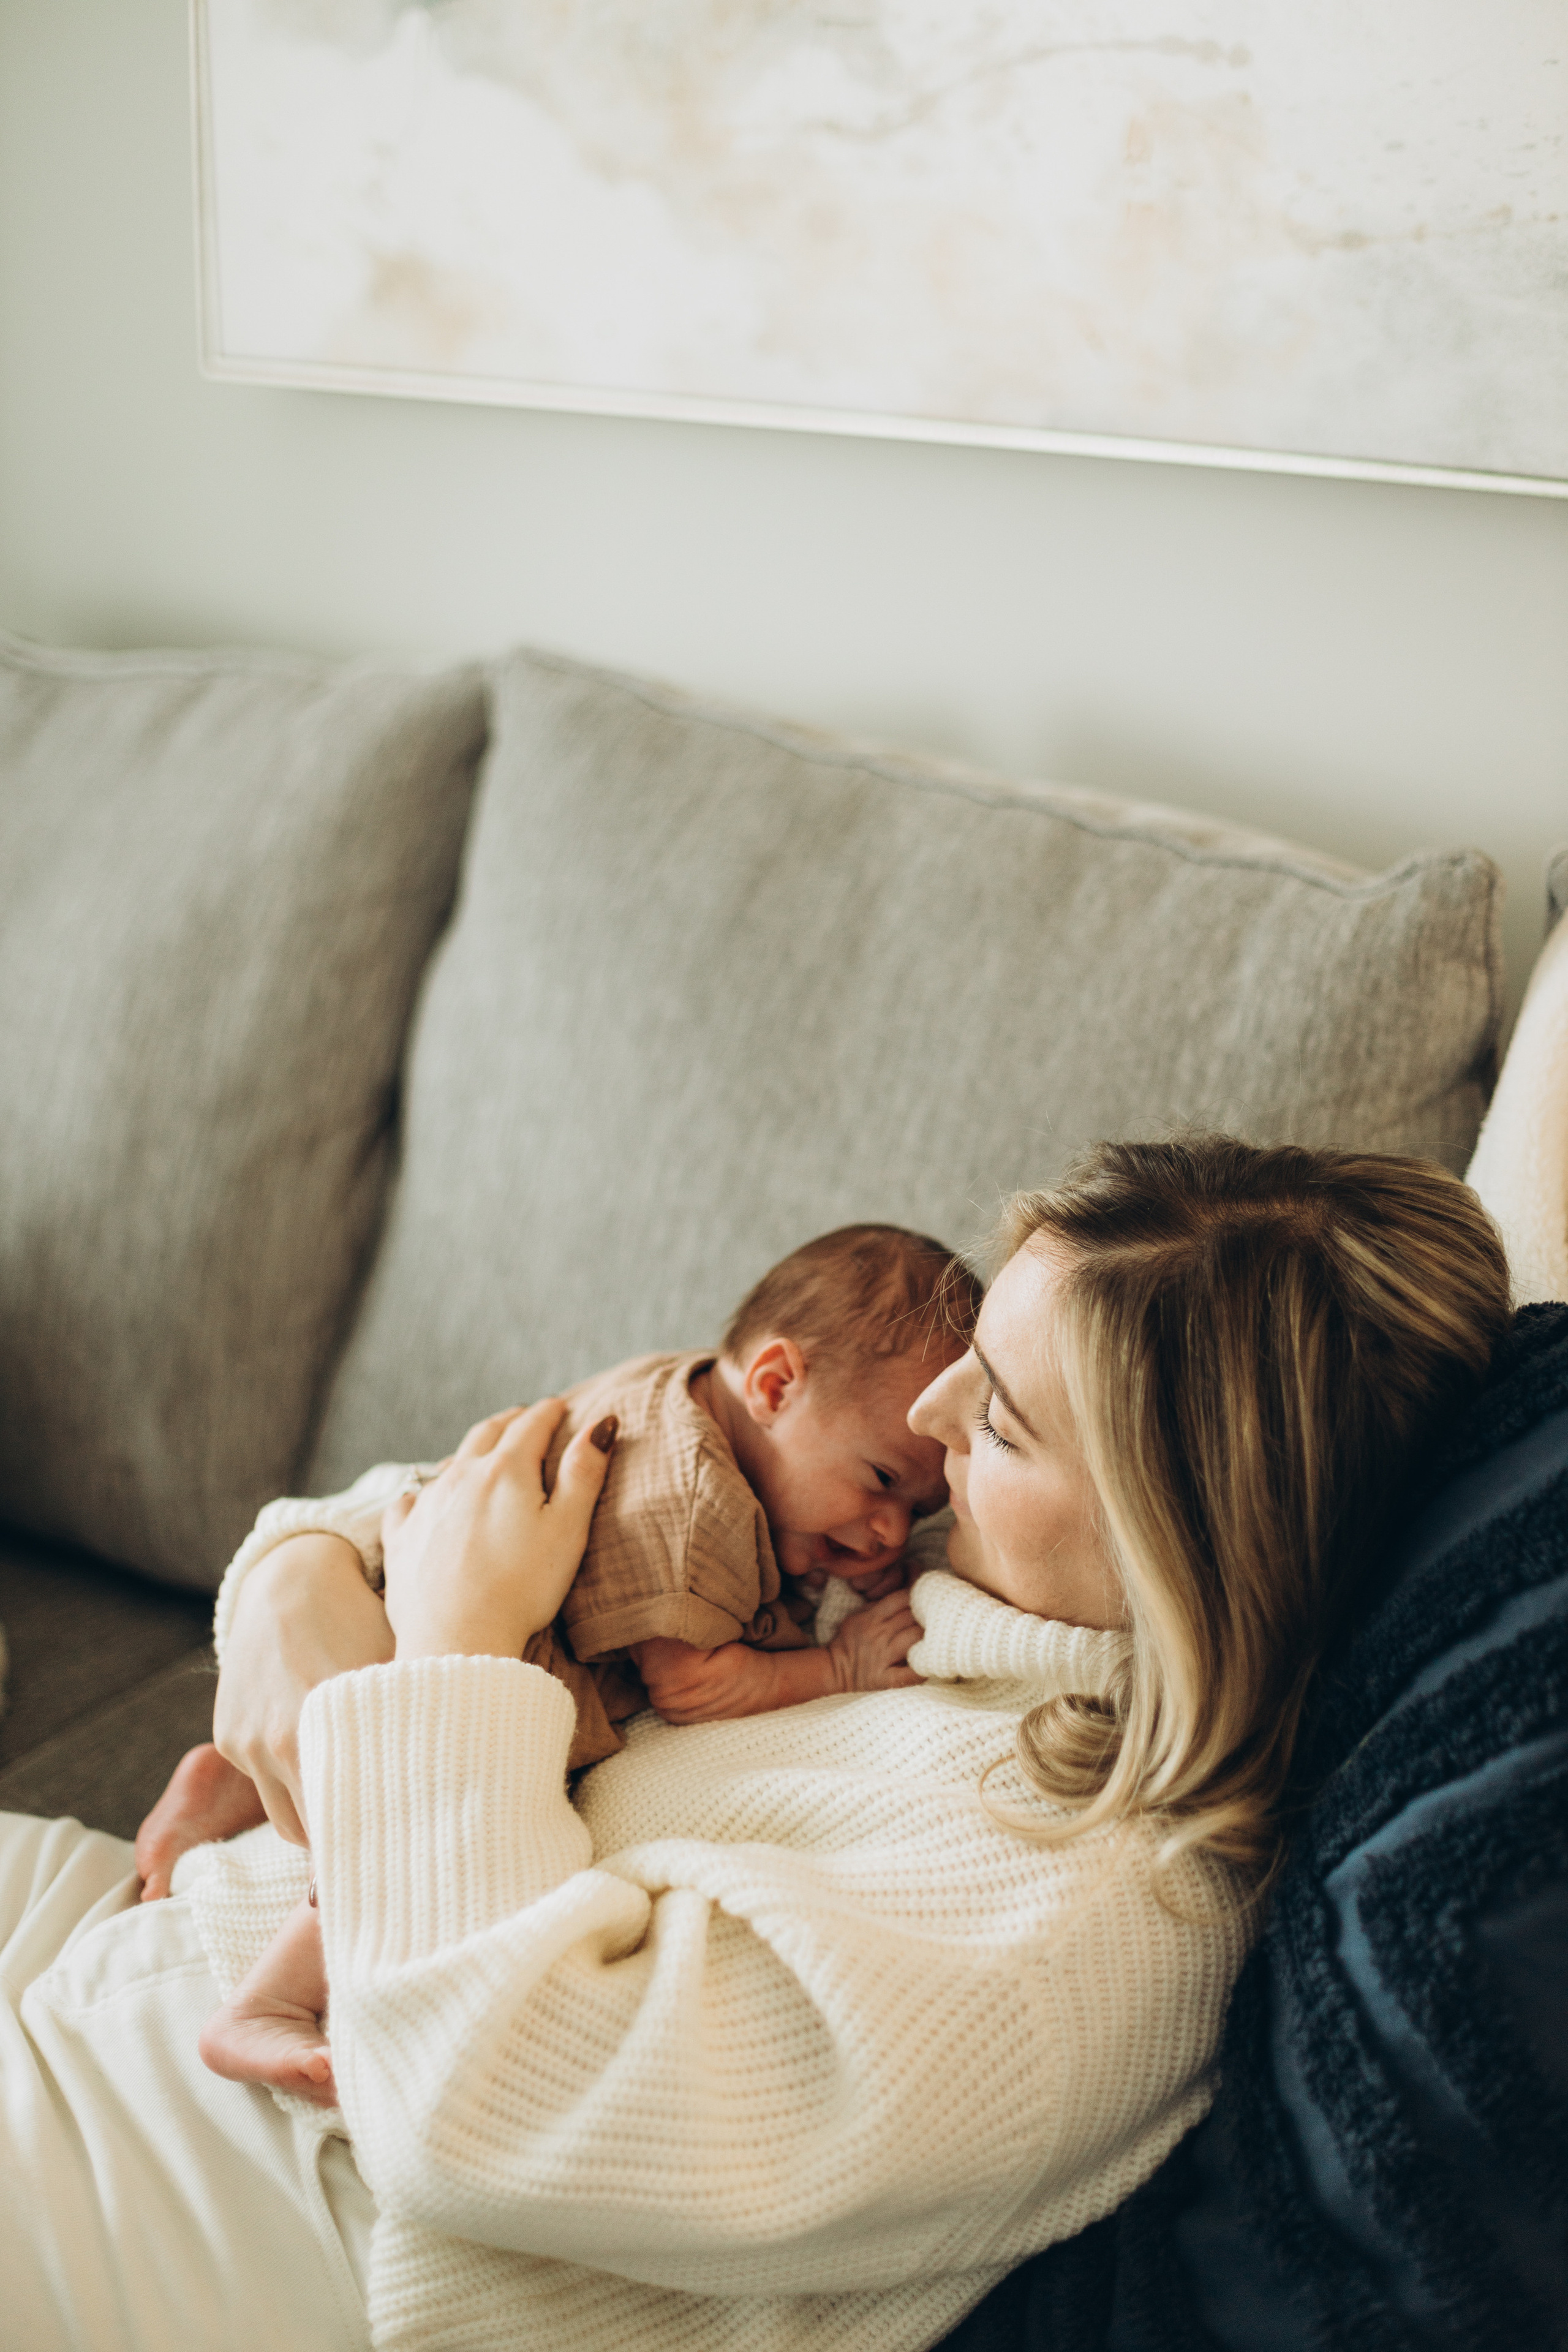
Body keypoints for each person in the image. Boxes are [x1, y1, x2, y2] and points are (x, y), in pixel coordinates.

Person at [0, 1137, 1511, 2352]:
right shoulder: (944, 1568)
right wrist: (295, 1588)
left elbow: (488, 2112)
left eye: (1000, 1422)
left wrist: (452, 1647)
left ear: (1179, 1553)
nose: (931, 1416)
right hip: (155, 1926)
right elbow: (462, 1506)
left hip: (250, 2184)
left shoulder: (1083, 1930)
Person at [141, 1223, 974, 2104]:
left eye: (919, 1510)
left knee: (339, 1755)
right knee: (387, 1821)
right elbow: (692, 1685)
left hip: (397, 1587)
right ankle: (268, 2003)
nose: (891, 1532)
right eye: (882, 1481)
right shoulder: (701, 1515)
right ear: (774, 1384)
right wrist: (837, 1667)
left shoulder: (676, 1385)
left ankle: (222, 1783)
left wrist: (834, 1538)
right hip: (456, 1663)